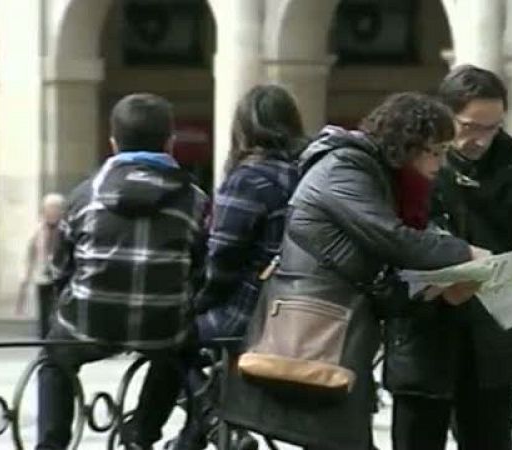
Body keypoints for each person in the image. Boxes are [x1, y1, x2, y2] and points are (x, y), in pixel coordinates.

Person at [220, 92, 486, 450]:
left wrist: (432, 287)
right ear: (404, 146)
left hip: (341, 326)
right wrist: (466, 253)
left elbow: (374, 265)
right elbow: (391, 239)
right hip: (315, 324)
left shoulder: (378, 175)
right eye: (434, 151)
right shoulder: (345, 168)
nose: (440, 164)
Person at [384, 65, 512, 450]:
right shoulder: (418, 161)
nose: (480, 140)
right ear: (444, 116)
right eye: (470, 127)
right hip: (426, 333)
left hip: (493, 336)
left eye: (492, 128)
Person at [36, 93, 210, 450]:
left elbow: (58, 269)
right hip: (162, 323)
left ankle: (52, 443)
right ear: (170, 142)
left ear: (113, 143)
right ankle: (141, 433)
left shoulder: (83, 196)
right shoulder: (194, 199)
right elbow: (201, 265)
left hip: (89, 321)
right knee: (177, 356)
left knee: (53, 359)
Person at [155, 84, 306, 450]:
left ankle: (209, 418)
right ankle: (202, 431)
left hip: (246, 312)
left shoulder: (248, 179)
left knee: (166, 336)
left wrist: (196, 301)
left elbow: (222, 259)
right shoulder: (304, 175)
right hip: (292, 310)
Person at [17, 193, 65, 338]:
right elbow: (30, 255)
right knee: (44, 310)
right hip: (42, 276)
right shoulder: (38, 231)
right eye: (49, 208)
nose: (52, 212)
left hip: (61, 276)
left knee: (60, 308)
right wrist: (25, 277)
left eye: (56, 208)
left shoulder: (66, 230)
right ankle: (44, 337)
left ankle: (58, 335)